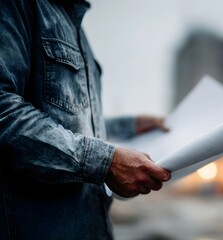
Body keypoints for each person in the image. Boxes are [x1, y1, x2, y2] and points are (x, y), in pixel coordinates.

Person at [0, 0, 171, 239]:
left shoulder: (79, 32)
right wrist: (107, 162)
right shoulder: (18, 6)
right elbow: (4, 114)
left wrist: (130, 127)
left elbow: (76, 129)